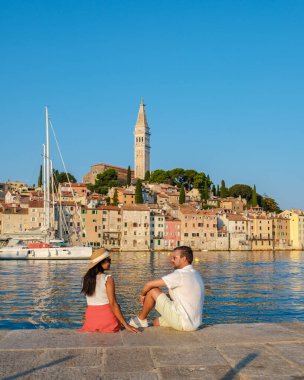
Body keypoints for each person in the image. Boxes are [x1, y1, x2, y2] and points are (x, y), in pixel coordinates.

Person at [129, 246, 204, 331]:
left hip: (183, 322)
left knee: (153, 290)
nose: (171, 260)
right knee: (156, 322)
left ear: (184, 259)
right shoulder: (196, 274)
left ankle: (140, 320)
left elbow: (148, 284)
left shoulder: (180, 274)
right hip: (194, 323)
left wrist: (142, 295)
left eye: (174, 258)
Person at [79, 248, 139, 333]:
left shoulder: (86, 279)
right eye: (108, 260)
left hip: (91, 321)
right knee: (117, 305)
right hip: (107, 320)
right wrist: (126, 324)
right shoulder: (108, 278)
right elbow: (112, 303)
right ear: (101, 263)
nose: (110, 262)